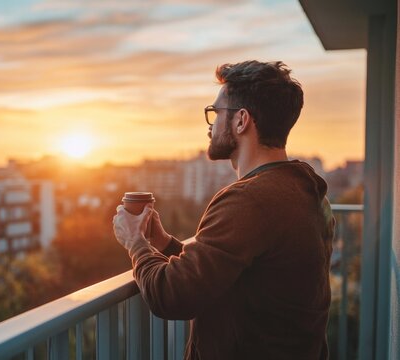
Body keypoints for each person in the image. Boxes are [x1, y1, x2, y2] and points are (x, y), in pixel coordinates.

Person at [112, 60, 335, 360]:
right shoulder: (302, 190)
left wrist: (135, 243)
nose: (211, 123)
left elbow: (171, 296)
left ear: (241, 120)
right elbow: (235, 270)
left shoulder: (249, 200)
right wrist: (164, 243)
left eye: (216, 112)